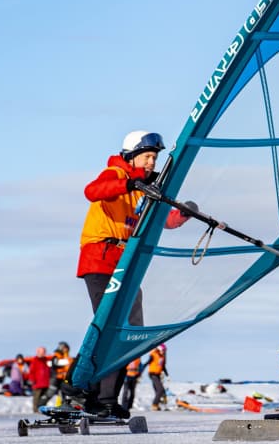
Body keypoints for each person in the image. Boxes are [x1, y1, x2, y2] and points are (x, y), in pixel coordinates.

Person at [75, 131, 188, 417]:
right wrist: (130, 182)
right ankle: (83, 391)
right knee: (110, 325)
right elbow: (92, 192)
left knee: (130, 330)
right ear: (131, 155)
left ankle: (108, 399)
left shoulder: (144, 188)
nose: (152, 162)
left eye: (154, 157)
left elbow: (166, 220)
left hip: (125, 265)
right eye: (147, 156)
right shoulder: (114, 172)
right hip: (100, 259)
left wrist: (185, 212)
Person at [44, 341, 72, 407]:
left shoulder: (66, 356)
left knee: (63, 393)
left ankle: (61, 405)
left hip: (64, 378)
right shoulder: (57, 355)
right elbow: (54, 364)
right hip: (56, 377)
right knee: (51, 392)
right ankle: (40, 405)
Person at [144, 344, 168, 411]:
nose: (164, 352)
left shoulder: (162, 357)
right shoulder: (154, 354)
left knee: (159, 390)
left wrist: (167, 375)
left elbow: (163, 367)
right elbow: (147, 363)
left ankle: (157, 405)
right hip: (152, 374)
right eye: (163, 350)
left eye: (165, 351)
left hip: (158, 374)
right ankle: (154, 405)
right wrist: (140, 371)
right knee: (160, 390)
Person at [29, 347, 52, 412]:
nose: (43, 354)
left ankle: (42, 409)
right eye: (41, 352)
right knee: (36, 397)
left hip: (45, 383)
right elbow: (31, 371)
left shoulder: (46, 360)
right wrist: (32, 380)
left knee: (44, 398)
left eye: (44, 352)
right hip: (37, 383)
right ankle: (35, 410)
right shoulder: (35, 360)